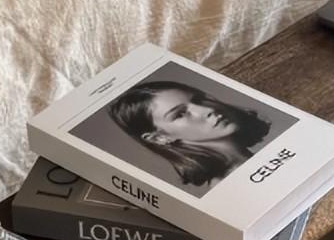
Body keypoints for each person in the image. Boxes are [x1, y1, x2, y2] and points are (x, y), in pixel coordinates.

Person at [109, 80, 270, 188]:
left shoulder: (249, 164)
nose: (207, 109)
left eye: (198, 99)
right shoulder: (232, 184)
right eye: (180, 114)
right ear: (160, 138)